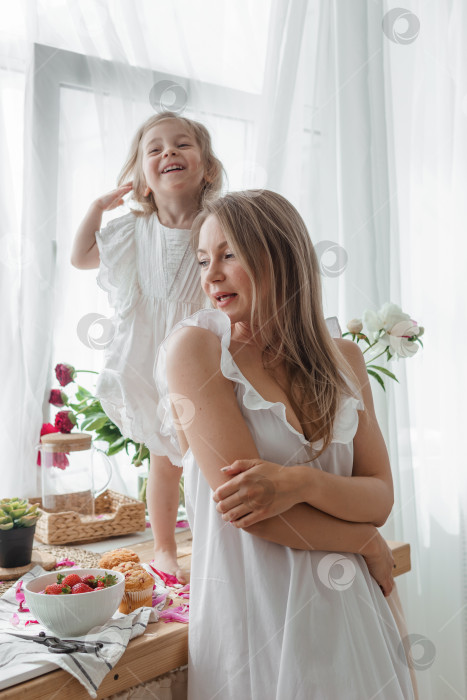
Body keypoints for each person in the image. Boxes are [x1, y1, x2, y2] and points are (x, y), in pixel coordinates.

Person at [155, 190, 415, 699]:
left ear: (281, 255)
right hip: (258, 618)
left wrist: (298, 482)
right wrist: (364, 542)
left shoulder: (344, 359)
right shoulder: (197, 348)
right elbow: (254, 512)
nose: (210, 277)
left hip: (351, 613)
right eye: (204, 260)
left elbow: (380, 497)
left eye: (228, 255)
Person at [71, 112, 224, 583]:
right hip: (150, 354)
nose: (168, 154)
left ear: (207, 169)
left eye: (182, 145)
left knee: (209, 456)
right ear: (141, 177)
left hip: (202, 354)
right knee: (165, 460)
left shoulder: (218, 223)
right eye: (154, 150)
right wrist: (98, 208)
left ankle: (213, 545)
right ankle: (163, 549)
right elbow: (80, 257)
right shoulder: (133, 230)